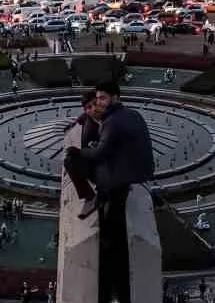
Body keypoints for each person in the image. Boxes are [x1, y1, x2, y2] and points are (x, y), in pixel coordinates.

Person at [63, 80, 155, 219]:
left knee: (71, 160)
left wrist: (79, 152)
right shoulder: (133, 114)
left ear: (116, 97)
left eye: (102, 98)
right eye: (97, 99)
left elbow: (100, 153)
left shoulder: (112, 121)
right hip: (140, 171)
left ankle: (92, 198)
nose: (98, 104)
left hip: (122, 175)